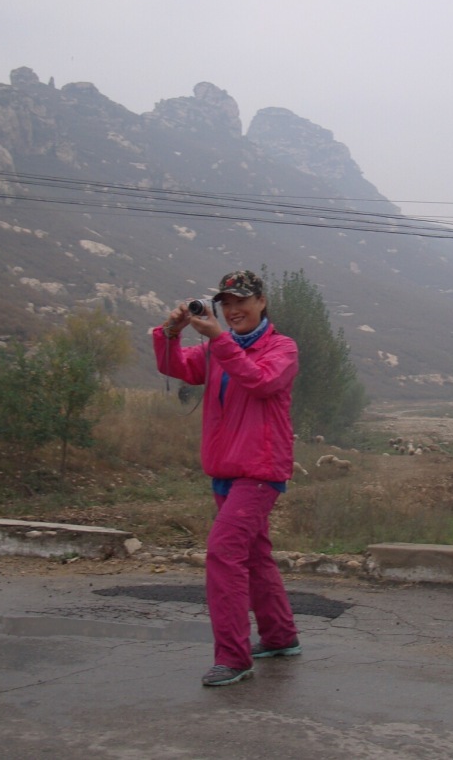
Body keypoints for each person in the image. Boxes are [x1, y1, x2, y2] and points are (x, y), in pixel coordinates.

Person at [152, 270, 302, 686]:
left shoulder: (282, 348)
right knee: (254, 556)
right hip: (224, 469)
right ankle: (279, 636)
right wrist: (171, 331)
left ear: (261, 302)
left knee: (223, 552)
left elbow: (261, 381)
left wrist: (218, 338)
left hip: (259, 470)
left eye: (242, 301)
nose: (233, 310)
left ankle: (233, 658)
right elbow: (175, 366)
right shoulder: (218, 350)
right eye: (226, 303)